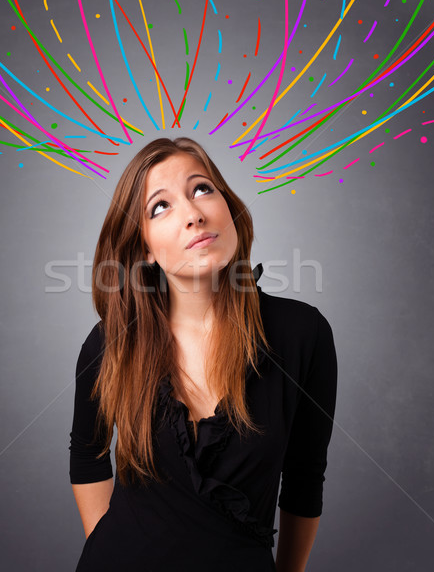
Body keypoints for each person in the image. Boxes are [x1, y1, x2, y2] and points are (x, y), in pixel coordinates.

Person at [69, 137, 338, 572]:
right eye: (161, 206)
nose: (193, 214)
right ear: (145, 250)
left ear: (228, 207)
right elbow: (87, 454)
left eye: (201, 189)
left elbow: (305, 480)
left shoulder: (302, 334)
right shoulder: (111, 344)